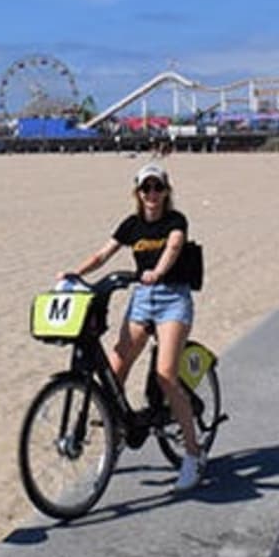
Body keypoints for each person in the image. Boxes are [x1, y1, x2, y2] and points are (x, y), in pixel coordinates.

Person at [58, 162, 204, 492]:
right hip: (142, 299)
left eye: (157, 188)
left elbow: (174, 247)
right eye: (146, 188)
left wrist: (159, 271)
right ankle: (119, 434)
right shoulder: (131, 225)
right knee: (113, 370)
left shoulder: (174, 221)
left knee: (166, 375)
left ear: (166, 191)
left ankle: (193, 456)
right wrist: (74, 275)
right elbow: (102, 255)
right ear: (137, 193)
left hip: (172, 299)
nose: (152, 194)